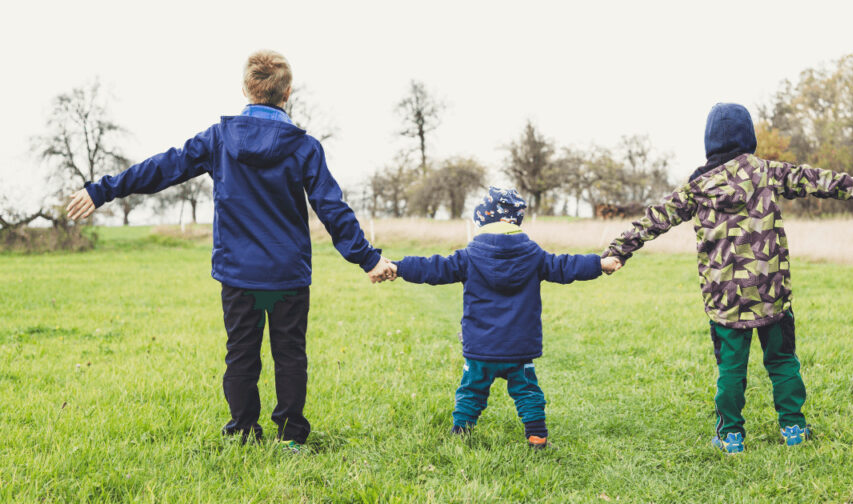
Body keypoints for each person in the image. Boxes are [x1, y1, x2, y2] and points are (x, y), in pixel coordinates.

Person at [65, 50, 396, 452]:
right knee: (290, 354)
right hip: (288, 274)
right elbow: (331, 207)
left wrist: (102, 190)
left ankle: (242, 431)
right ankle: (291, 437)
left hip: (238, 274)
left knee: (241, 355)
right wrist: (368, 258)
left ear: (245, 88)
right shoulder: (305, 147)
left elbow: (163, 168)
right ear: (287, 92)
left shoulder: (219, 139)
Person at [601, 103, 853, 453]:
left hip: (726, 301)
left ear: (710, 142)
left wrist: (618, 250)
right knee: (782, 361)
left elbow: (655, 218)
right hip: (771, 293)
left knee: (730, 369)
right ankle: (793, 428)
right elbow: (818, 179)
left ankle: (731, 436)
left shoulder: (697, 187)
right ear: (749, 137)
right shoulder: (766, 172)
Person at [389, 187, 619, 448]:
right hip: (518, 348)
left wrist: (398, 267)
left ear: (482, 221)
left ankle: (460, 434)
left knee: (471, 391)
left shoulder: (468, 256)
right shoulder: (534, 256)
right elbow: (565, 266)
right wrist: (599, 264)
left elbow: (432, 268)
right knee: (527, 392)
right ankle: (536, 437)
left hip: (480, 348)